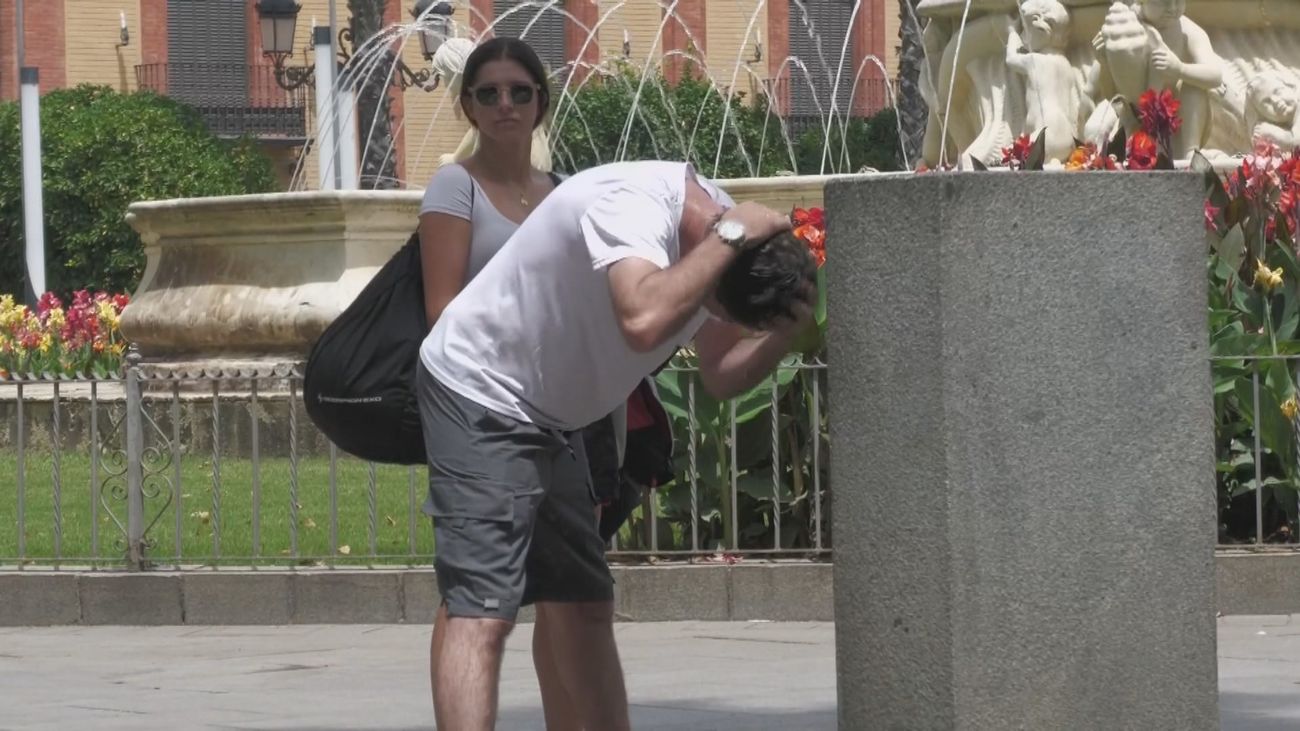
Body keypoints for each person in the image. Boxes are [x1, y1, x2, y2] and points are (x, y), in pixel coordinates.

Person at [417, 157, 817, 730]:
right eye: (715, 306)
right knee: (483, 609)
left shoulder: (729, 238)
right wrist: (727, 242)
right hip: (481, 389)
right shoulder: (636, 205)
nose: (709, 315)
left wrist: (784, 335)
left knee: (583, 602)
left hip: (555, 417)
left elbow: (721, 372)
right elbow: (643, 318)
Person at [418, 35, 626, 731]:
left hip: (558, 409)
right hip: (482, 402)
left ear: (541, 104)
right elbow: (442, 310)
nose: (504, 104)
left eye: (519, 91)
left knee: (574, 593)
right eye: (488, 93)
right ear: (468, 107)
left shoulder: (563, 194)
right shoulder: (455, 186)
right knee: (478, 597)